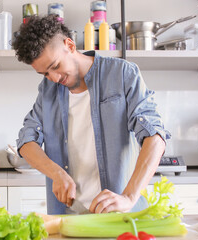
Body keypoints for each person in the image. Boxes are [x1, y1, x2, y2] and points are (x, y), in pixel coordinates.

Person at [12, 15, 170, 215]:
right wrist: (56, 173)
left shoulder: (122, 74)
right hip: (69, 217)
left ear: (69, 45)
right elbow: (26, 141)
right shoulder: (47, 91)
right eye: (45, 74)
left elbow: (155, 136)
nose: (54, 78)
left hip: (120, 216)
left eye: (55, 66)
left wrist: (129, 197)